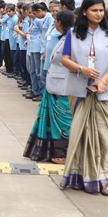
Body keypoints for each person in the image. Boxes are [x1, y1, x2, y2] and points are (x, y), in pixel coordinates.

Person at [59, 0, 108, 196]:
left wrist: (103, 81)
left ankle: (106, 179)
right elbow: (65, 59)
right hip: (79, 91)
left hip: (105, 92)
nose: (98, 14)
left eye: (101, 10)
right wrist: (82, 69)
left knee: (106, 137)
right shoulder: (73, 34)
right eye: (94, 10)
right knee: (81, 135)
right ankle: (80, 176)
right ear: (84, 12)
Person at [23, 10, 74, 163]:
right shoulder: (62, 37)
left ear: (60, 22)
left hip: (64, 86)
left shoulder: (72, 40)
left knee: (63, 122)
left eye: (56, 19)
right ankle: (53, 151)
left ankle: (63, 154)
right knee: (53, 123)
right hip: (54, 84)